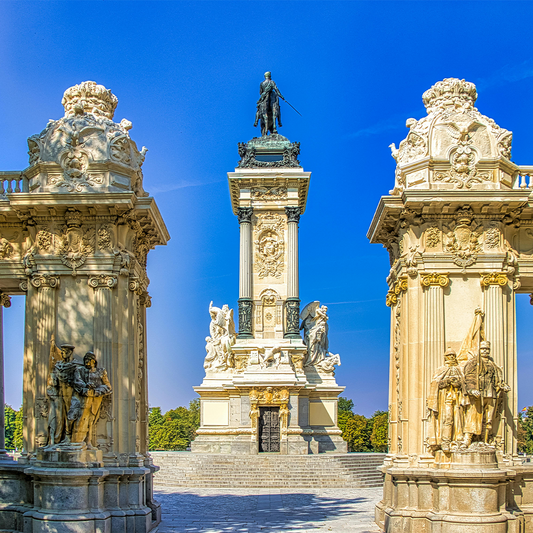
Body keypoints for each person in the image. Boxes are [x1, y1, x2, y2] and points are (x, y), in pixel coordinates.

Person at [462, 341, 510, 447]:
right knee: (472, 416)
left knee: (488, 419)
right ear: (479, 350)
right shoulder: (474, 362)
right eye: (483, 349)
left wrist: (502, 385)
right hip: (477, 394)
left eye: (487, 349)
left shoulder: (492, 364)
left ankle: (485, 440)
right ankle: (467, 439)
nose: (485, 351)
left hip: (490, 393)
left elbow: (497, 379)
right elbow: (468, 377)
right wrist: (472, 389)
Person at [68, 352, 112, 448]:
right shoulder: (79, 370)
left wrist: (97, 390)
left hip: (95, 398)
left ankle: (88, 442)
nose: (87, 361)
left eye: (89, 359)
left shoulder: (101, 371)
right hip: (80, 398)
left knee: (91, 421)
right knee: (72, 417)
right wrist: (86, 386)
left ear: (94, 361)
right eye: (85, 359)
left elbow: (108, 386)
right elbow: (77, 382)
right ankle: (69, 439)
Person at [427, 348, 466, 452]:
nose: (452, 357)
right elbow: (435, 384)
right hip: (446, 398)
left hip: (458, 398)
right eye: (449, 355)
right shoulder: (441, 369)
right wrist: (447, 381)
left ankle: (458, 440)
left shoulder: (459, 369)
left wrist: (457, 383)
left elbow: (463, 383)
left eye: (453, 355)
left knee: (459, 420)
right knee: (448, 419)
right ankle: (445, 441)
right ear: (446, 357)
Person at [46, 343, 77, 446]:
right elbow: (52, 382)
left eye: (64, 352)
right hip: (59, 395)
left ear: (70, 353)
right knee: (59, 417)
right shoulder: (58, 366)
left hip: (71, 394)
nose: (62, 354)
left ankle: (70, 437)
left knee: (70, 415)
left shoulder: (75, 366)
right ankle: (57, 438)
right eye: (62, 352)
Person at [254, 72, 284, 136]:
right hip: (272, 98)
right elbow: (276, 89)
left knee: (259, 109)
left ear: (265, 76)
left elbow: (260, 92)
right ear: (270, 76)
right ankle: (279, 122)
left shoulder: (262, 83)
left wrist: (264, 95)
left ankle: (256, 121)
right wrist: (281, 96)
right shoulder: (272, 82)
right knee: (277, 108)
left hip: (265, 97)